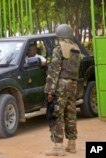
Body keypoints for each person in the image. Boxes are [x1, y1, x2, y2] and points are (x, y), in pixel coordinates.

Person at [44, 24, 81, 156]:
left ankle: (58, 147)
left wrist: (50, 91)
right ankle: (72, 145)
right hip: (73, 85)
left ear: (59, 35)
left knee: (57, 114)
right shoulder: (76, 49)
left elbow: (53, 71)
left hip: (61, 85)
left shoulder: (58, 49)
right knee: (71, 115)